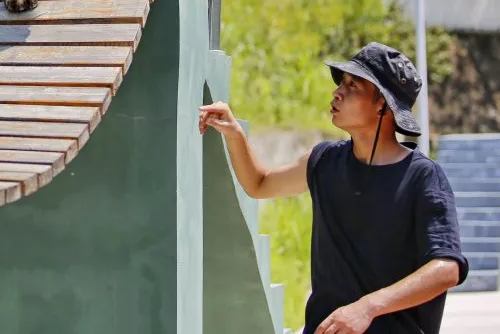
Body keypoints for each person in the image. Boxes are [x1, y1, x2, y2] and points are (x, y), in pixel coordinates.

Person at [199, 42, 468, 334]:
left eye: (353, 86)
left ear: (383, 105)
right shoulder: (324, 161)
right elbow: (260, 184)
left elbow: (446, 269)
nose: (337, 92)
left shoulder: (422, 177)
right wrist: (234, 133)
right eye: (342, 83)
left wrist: (367, 307)